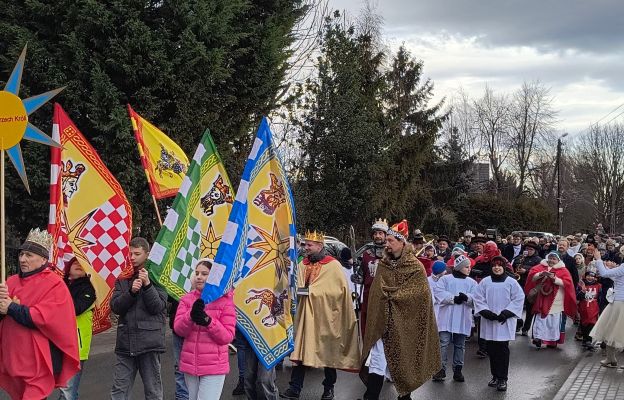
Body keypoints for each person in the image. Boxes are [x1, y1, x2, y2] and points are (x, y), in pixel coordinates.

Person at [360, 220, 440, 400]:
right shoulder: (383, 265)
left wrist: (394, 297)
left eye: (390, 240)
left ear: (402, 242)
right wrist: (384, 299)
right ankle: (370, 397)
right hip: (382, 322)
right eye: (386, 240)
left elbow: (420, 295)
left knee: (402, 361)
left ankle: (405, 397)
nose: (386, 244)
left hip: (404, 323)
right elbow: (376, 292)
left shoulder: (415, 267)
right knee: (377, 361)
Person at [0, 228, 80, 399]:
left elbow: (43, 318)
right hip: (13, 358)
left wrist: (12, 308)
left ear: (43, 259)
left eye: (29, 255)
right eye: (21, 254)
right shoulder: (10, 281)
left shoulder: (54, 284)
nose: (22, 259)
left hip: (37, 362)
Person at [281, 230, 359, 400]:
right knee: (301, 352)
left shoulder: (333, 265)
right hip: (305, 317)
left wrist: (312, 291)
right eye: (305, 244)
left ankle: (328, 388)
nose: (306, 248)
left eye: (309, 245)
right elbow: (294, 285)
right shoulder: (302, 264)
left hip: (326, 317)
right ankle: (295, 388)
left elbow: (339, 291)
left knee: (328, 352)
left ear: (320, 246)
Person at [110, 237, 168, 399]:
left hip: (149, 341)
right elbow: (116, 307)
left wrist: (148, 285)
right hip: (125, 341)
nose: (133, 257)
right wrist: (131, 293)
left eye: (137, 254)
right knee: (119, 390)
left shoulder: (158, 276)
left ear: (147, 254)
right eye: (130, 254)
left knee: (153, 390)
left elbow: (157, 307)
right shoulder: (123, 277)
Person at [174, 259, 236, 399]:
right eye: (197, 273)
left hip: (213, 366)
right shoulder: (186, 299)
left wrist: (208, 321)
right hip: (191, 364)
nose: (199, 277)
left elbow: (227, 336)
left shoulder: (225, 301)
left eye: (204, 273)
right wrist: (190, 316)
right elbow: (179, 330)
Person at [472, 254, 525, 392]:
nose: (496, 268)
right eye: (494, 265)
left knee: (502, 350)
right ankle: (495, 376)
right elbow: (478, 298)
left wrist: (506, 313)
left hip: (504, 321)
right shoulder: (485, 281)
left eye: (499, 266)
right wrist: (485, 312)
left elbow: (519, 298)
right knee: (491, 350)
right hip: (489, 320)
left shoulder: (511, 282)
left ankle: (503, 379)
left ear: (504, 267)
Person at [432, 255, 477, 383]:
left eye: (470, 267)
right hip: (446, 316)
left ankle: (458, 369)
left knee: (460, 344)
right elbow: (438, 292)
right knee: (443, 343)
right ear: (459, 267)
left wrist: (467, 298)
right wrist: (452, 298)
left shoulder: (471, 282)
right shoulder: (445, 279)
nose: (469, 269)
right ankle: (440, 369)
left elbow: (476, 297)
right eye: (467, 267)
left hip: (462, 317)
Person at [58, 257, 97, 400]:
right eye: (75, 262)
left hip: (76, 347)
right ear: (68, 267)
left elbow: (76, 308)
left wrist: (56, 301)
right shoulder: (59, 284)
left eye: (82, 263)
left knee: (68, 391)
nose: (79, 265)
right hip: (56, 342)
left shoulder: (89, 289)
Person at [525, 252, 577, 349]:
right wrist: (541, 274)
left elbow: (567, 283)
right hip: (541, 298)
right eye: (550, 258)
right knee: (540, 318)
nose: (552, 260)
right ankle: (538, 338)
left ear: (558, 260)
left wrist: (555, 279)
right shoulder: (540, 266)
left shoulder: (563, 270)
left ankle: (552, 341)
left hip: (555, 301)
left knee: (553, 321)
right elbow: (532, 277)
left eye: (554, 259)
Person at [589, 248, 624, 367]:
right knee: (612, 331)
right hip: (618, 301)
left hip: (619, 303)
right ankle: (610, 358)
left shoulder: (623, 267)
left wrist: (598, 260)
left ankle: (610, 358)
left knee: (611, 330)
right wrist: (607, 268)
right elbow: (618, 278)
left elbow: (604, 274)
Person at [355, 219, 388, 337]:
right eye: (375, 233)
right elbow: (360, 277)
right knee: (368, 328)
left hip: (386, 297)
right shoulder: (366, 254)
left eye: (380, 233)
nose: (377, 236)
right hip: (368, 296)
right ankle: (368, 353)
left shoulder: (391, 254)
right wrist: (356, 276)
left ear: (385, 235)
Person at [511, 241, 542, 335]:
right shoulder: (519, 257)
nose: (528, 251)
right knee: (517, 306)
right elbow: (512, 267)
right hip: (519, 284)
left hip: (531, 286)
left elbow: (539, 272)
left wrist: (526, 270)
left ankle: (526, 328)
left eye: (531, 249)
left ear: (535, 250)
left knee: (529, 308)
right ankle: (518, 324)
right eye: (527, 249)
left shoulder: (538, 260)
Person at [168, 295, 190, 400]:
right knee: (179, 366)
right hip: (178, 325)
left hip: (199, 328)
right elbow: (168, 296)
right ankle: (182, 396)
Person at [576, 270, 601, 350]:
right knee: (584, 324)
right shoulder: (581, 285)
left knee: (592, 323)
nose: (590, 278)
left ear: (594, 278)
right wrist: (582, 291)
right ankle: (585, 339)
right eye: (588, 276)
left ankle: (589, 340)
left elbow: (600, 297)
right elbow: (578, 296)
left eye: (592, 276)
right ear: (585, 276)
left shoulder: (598, 286)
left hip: (594, 307)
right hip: (584, 307)